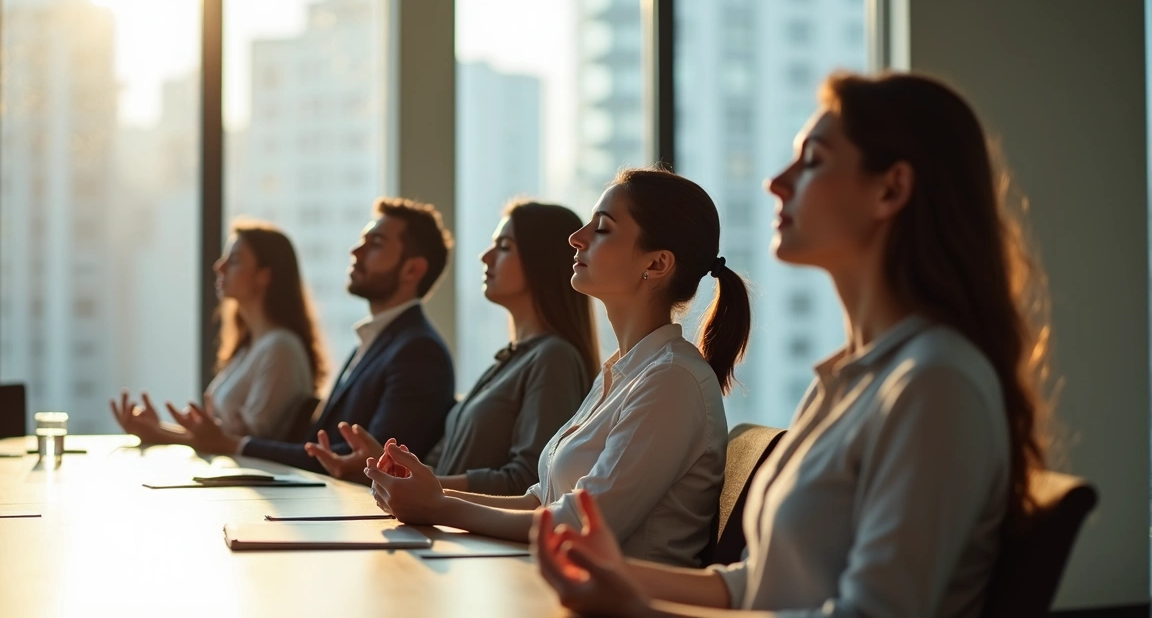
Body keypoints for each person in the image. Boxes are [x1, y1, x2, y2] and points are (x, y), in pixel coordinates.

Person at [530, 72, 1052, 618]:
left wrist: (642, 611)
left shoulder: (936, 383)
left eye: (814, 161)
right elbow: (759, 586)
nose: (775, 182)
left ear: (890, 189)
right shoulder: (848, 381)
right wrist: (608, 573)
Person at [365, 169, 752, 567]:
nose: (576, 237)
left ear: (656, 263)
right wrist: (432, 494)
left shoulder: (672, 381)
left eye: (601, 228)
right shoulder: (625, 372)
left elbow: (584, 524)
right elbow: (541, 500)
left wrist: (440, 509)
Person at [113, 198, 457, 474]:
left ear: (413, 269)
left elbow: (377, 463)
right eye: (361, 241)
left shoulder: (417, 351)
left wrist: (231, 444)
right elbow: (320, 449)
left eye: (375, 244)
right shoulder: (375, 343)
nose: (356, 251)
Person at [305, 201, 600, 496]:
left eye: (505, 247)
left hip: (479, 540)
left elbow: (530, 482)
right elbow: (442, 468)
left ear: (542, 260)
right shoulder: (508, 360)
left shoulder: (554, 357)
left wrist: (419, 486)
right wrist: (385, 471)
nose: (486, 257)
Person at [110, 221, 325, 443]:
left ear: (264, 275)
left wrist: (162, 434)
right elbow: (222, 440)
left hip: (254, 477)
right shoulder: (250, 347)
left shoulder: (281, 348)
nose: (219, 267)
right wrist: (157, 430)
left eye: (234, 260)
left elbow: (250, 444)